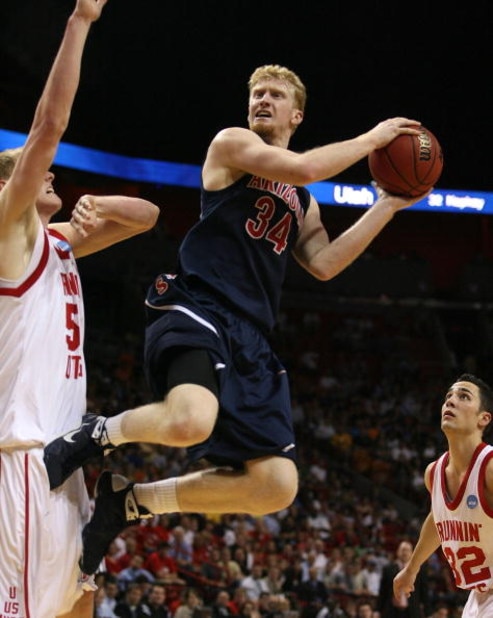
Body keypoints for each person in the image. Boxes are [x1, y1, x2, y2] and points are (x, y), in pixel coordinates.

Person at [44, 63, 431, 577]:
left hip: (251, 336)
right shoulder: (231, 145)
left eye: (274, 95)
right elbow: (303, 169)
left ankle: (130, 502)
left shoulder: (304, 203)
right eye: (256, 94)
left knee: (276, 486)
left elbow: (326, 263)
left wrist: (388, 205)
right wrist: (372, 139)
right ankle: (95, 435)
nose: (262, 101)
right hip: (199, 303)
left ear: (297, 113)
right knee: (189, 420)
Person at [0, 1, 160, 617]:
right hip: (26, 455)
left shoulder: (60, 238)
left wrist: (103, 201)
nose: (48, 172)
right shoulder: (12, 232)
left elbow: (146, 220)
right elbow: (49, 126)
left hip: (67, 462)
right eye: (30, 171)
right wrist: (81, 21)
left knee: (76, 607)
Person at [393, 374, 493, 617]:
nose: (450, 401)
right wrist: (411, 568)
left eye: (463, 396)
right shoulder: (434, 472)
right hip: (479, 596)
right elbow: (439, 519)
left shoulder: (489, 468)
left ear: (484, 418)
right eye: (448, 396)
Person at [377, 540, 429, 617]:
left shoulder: (419, 569)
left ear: (412, 553)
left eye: (407, 550)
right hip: (391, 610)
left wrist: (428, 612)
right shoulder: (388, 569)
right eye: (403, 550)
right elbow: (382, 591)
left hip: (412, 610)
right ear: (398, 552)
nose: (405, 553)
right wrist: (378, 610)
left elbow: (424, 591)